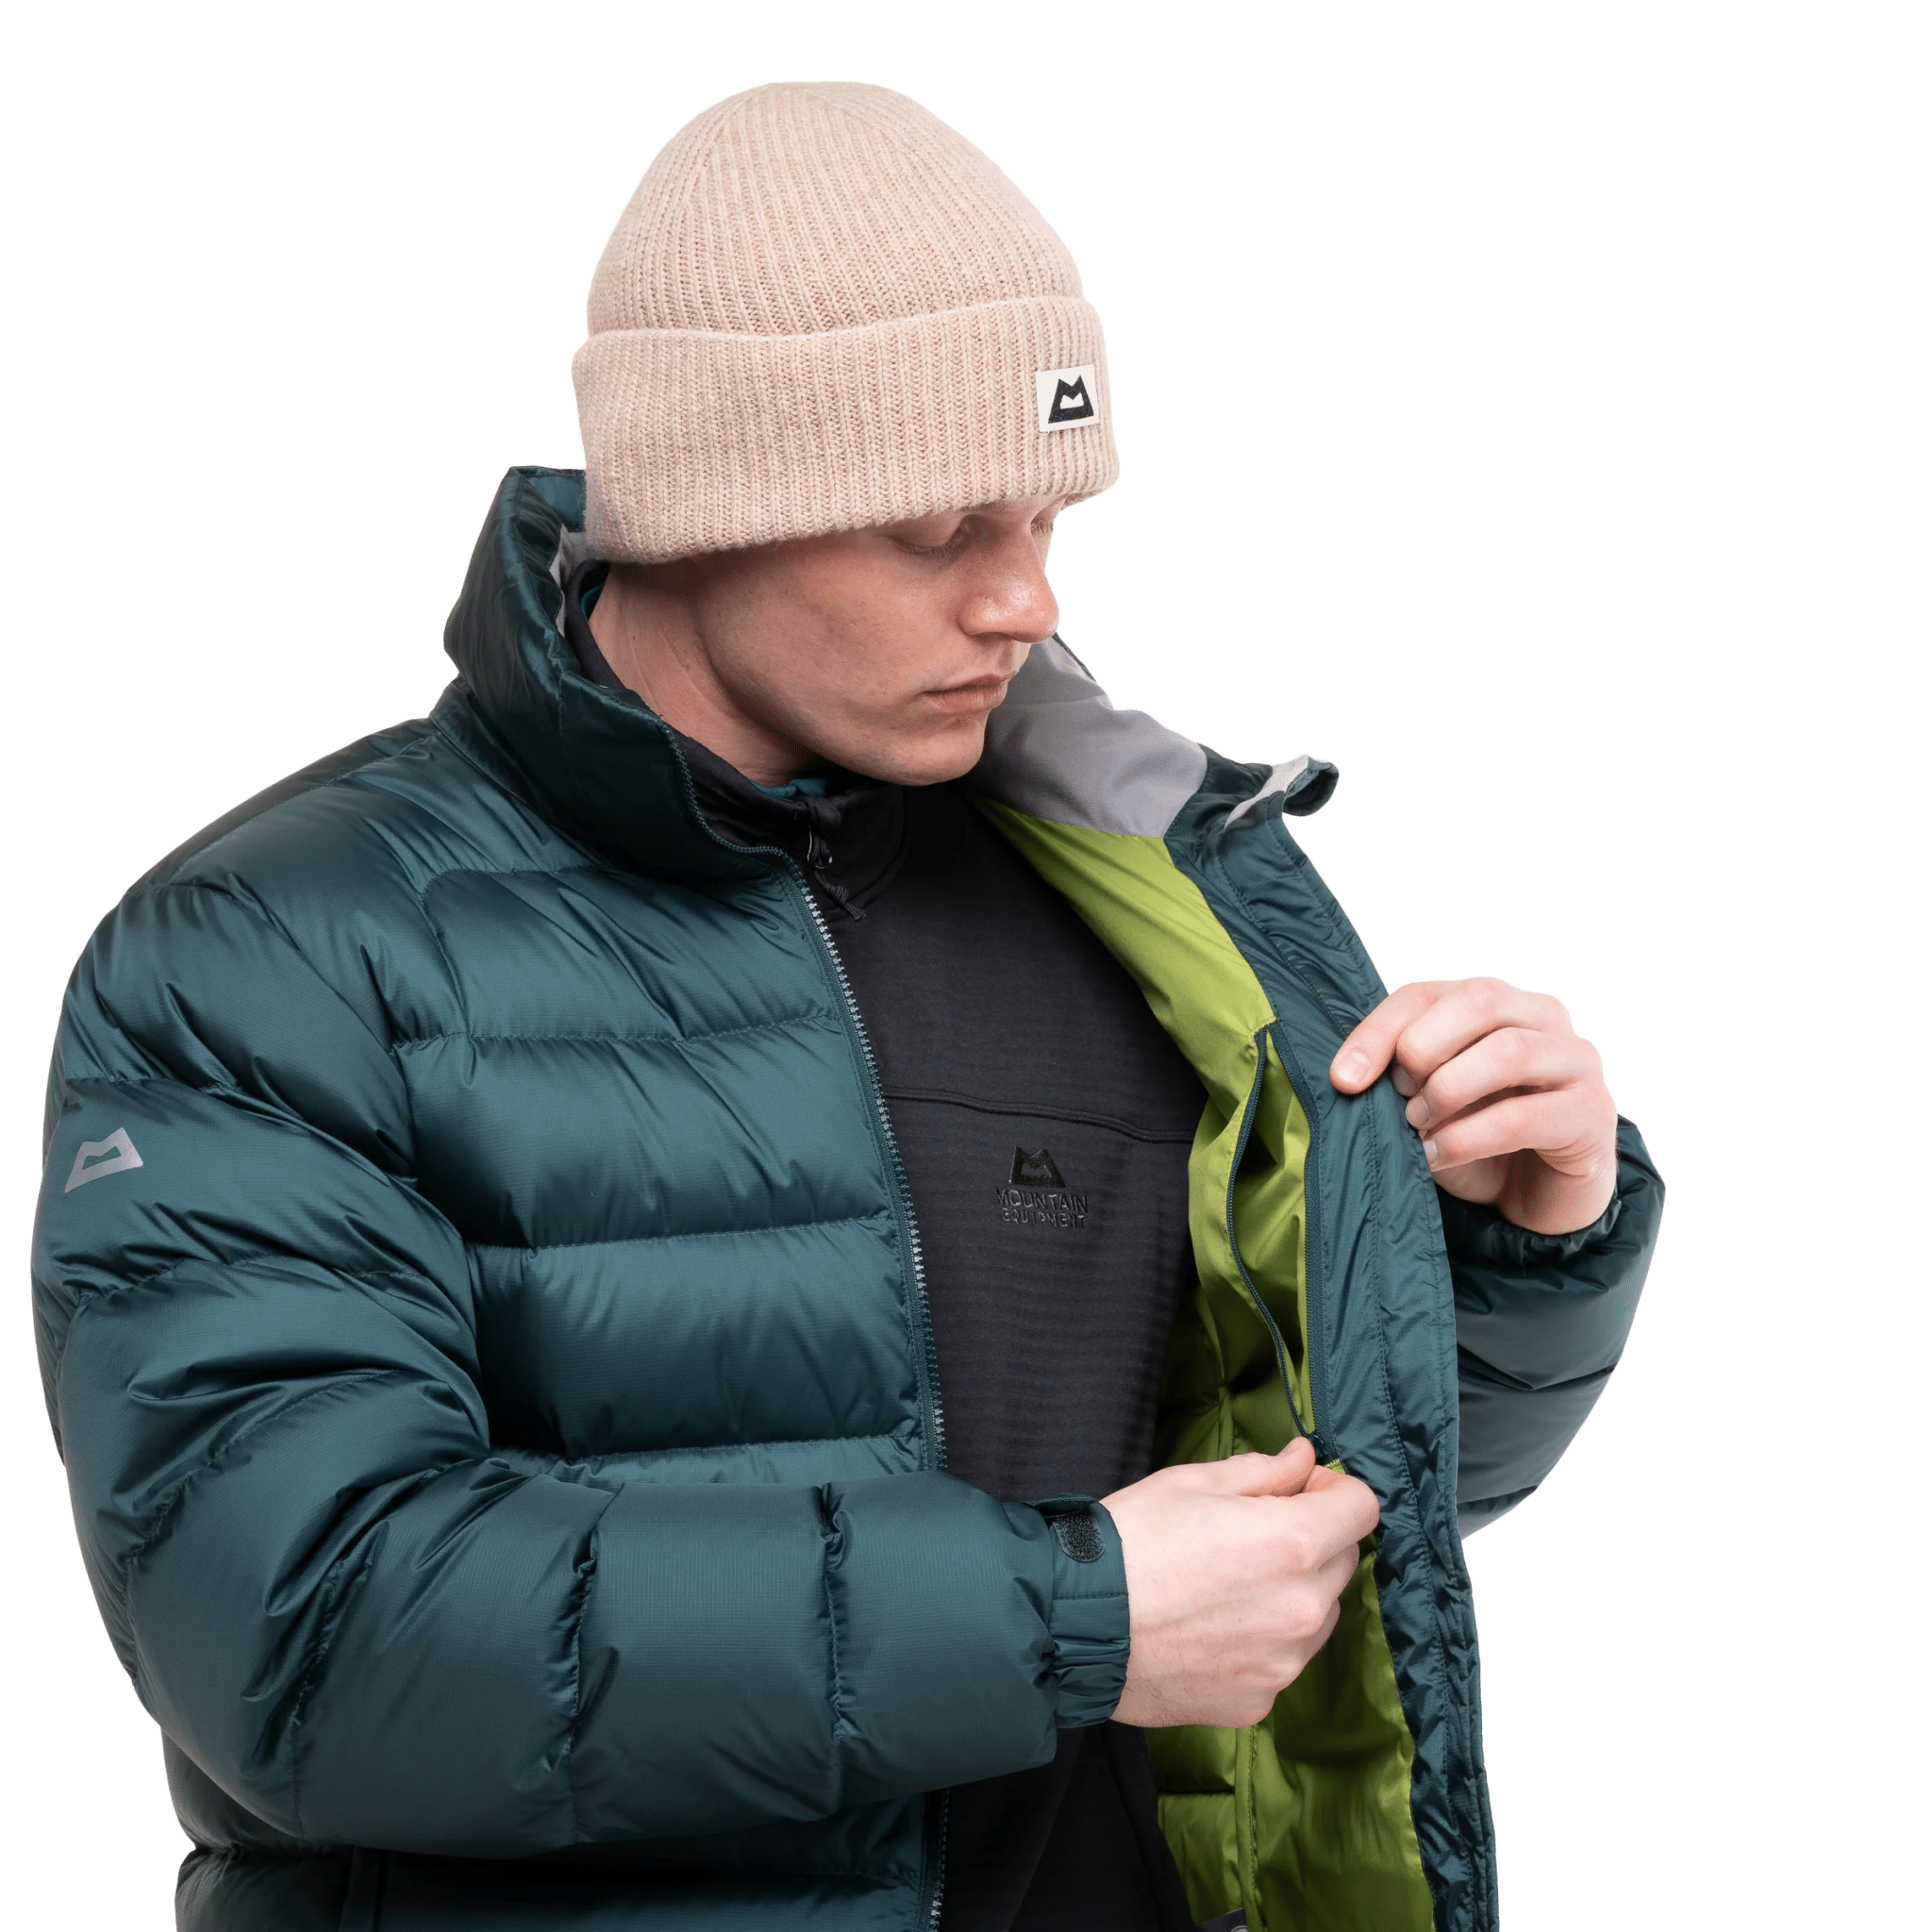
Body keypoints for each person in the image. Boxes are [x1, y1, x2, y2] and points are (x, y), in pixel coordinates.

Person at [31, 81, 1662, 1932]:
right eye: (938, 528)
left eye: (1045, 517)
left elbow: (1303, 1522)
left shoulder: (1141, 897)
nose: (1022, 601)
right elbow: (312, 1645)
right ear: (708, 500)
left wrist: (1515, 1249)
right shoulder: (272, 952)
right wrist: (1071, 1613)